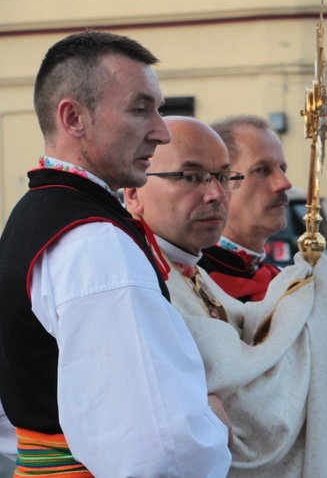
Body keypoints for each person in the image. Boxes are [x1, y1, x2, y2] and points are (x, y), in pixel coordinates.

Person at [0, 31, 231, 476]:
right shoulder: (93, 242)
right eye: (140, 109)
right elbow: (156, 450)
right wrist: (214, 427)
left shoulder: (36, 214)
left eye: (158, 110)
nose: (161, 132)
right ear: (73, 117)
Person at [124, 115, 327, 477]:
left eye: (223, 177)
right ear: (133, 193)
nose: (215, 192)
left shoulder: (195, 272)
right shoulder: (136, 278)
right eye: (191, 177)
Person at [198, 115, 292, 302]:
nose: (284, 183)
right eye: (261, 170)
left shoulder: (283, 282)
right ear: (218, 182)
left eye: (282, 169)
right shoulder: (190, 282)